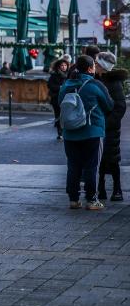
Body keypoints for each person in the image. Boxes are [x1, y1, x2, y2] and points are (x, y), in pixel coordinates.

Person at [58, 55, 114, 210]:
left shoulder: (66, 85)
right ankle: (91, 200)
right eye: (94, 66)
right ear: (90, 69)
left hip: (70, 132)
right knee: (91, 166)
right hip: (92, 131)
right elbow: (109, 105)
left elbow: (60, 103)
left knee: (73, 166)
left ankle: (73, 200)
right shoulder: (95, 85)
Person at [96, 52, 126, 202]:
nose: (95, 65)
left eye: (97, 63)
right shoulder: (95, 79)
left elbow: (120, 107)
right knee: (99, 159)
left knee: (113, 159)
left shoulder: (114, 82)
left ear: (103, 66)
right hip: (98, 126)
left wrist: (106, 123)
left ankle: (117, 189)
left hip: (110, 128)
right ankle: (100, 188)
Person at [47, 56, 71, 140]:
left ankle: (66, 131)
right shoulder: (54, 75)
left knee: (66, 116)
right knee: (58, 115)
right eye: (62, 65)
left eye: (65, 65)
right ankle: (60, 132)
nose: (64, 67)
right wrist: (60, 87)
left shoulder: (69, 75)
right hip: (56, 98)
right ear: (58, 66)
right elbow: (50, 85)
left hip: (67, 98)